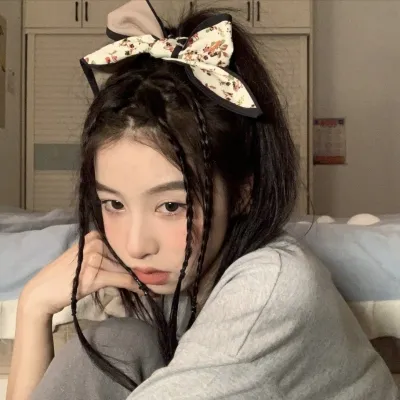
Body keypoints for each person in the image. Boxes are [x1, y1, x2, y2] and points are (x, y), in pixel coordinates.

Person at [7, 1, 399, 399]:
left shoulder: (269, 292)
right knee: (114, 344)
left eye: (171, 206)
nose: (135, 246)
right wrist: (33, 308)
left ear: (243, 192)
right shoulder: (169, 286)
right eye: (115, 204)